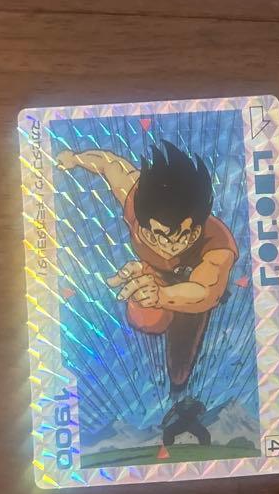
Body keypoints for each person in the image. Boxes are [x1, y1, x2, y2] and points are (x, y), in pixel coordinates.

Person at [55, 140, 238, 444]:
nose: (172, 245)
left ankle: (180, 395)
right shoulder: (134, 198)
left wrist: (164, 296)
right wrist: (75, 158)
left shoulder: (217, 244)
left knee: (180, 365)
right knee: (147, 318)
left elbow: (205, 290)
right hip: (155, 279)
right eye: (161, 235)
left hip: (192, 289)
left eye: (185, 235)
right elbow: (107, 163)